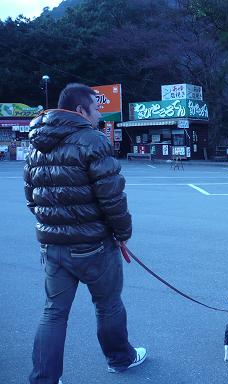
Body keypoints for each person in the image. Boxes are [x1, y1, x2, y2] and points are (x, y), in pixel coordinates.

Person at [24, 83, 146, 384]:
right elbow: (112, 196)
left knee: (54, 313)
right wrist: (122, 233)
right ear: (80, 110)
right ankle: (120, 359)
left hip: (52, 245)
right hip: (92, 245)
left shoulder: (36, 141)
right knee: (108, 304)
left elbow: (31, 194)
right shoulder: (93, 140)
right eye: (96, 107)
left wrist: (51, 225)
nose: (99, 113)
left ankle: (43, 379)